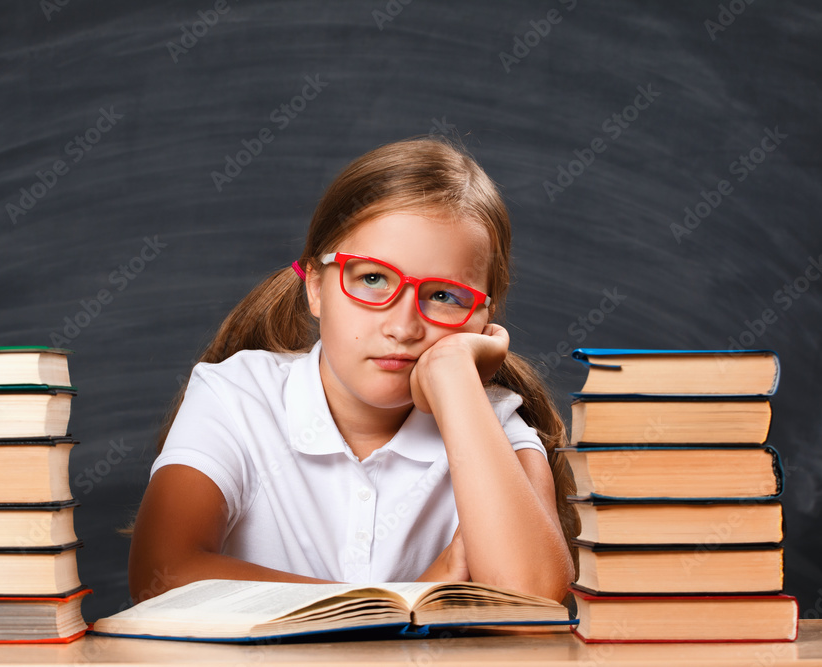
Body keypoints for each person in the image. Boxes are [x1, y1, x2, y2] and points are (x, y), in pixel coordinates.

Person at [128, 135, 577, 604]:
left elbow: (533, 603)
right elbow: (162, 574)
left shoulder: (494, 425)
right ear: (316, 288)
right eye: (372, 279)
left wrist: (453, 374)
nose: (403, 327)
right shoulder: (235, 396)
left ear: (483, 318)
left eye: (443, 295)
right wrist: (404, 599)